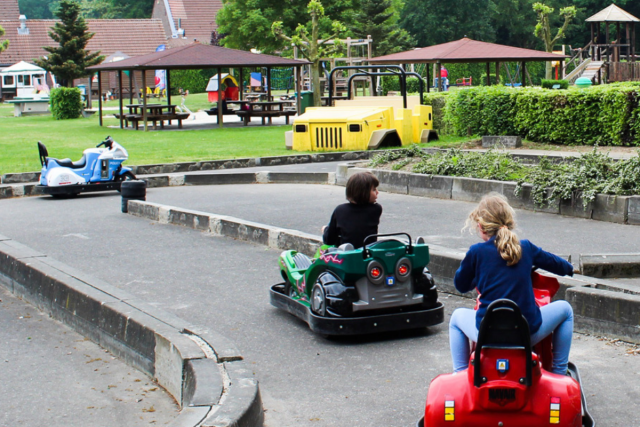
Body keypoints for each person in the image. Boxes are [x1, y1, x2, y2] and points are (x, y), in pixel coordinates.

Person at [449, 193, 574, 375]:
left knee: (456, 318)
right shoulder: (526, 248)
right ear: (508, 222)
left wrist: (477, 273)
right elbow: (558, 265)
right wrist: (569, 268)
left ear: (481, 227)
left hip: (486, 334)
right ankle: (559, 372)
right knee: (566, 310)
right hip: (527, 333)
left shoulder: (476, 252)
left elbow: (460, 285)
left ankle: (460, 374)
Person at [322, 172, 382, 249]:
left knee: (329, 228)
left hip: (348, 254)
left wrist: (325, 230)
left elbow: (329, 240)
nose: (377, 192)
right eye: (374, 190)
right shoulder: (376, 209)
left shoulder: (340, 210)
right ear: (363, 192)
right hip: (368, 254)